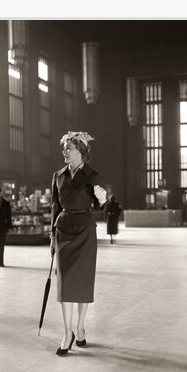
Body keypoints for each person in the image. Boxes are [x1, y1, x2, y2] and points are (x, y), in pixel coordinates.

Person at [50, 131, 107, 356]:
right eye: (64, 147)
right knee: (64, 281)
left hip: (85, 230)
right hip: (63, 229)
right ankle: (67, 332)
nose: (64, 151)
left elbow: (99, 205)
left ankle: (80, 327)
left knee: (82, 282)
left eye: (68, 148)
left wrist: (102, 200)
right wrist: (52, 238)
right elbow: (54, 208)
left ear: (80, 151)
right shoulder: (58, 176)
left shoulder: (92, 175)